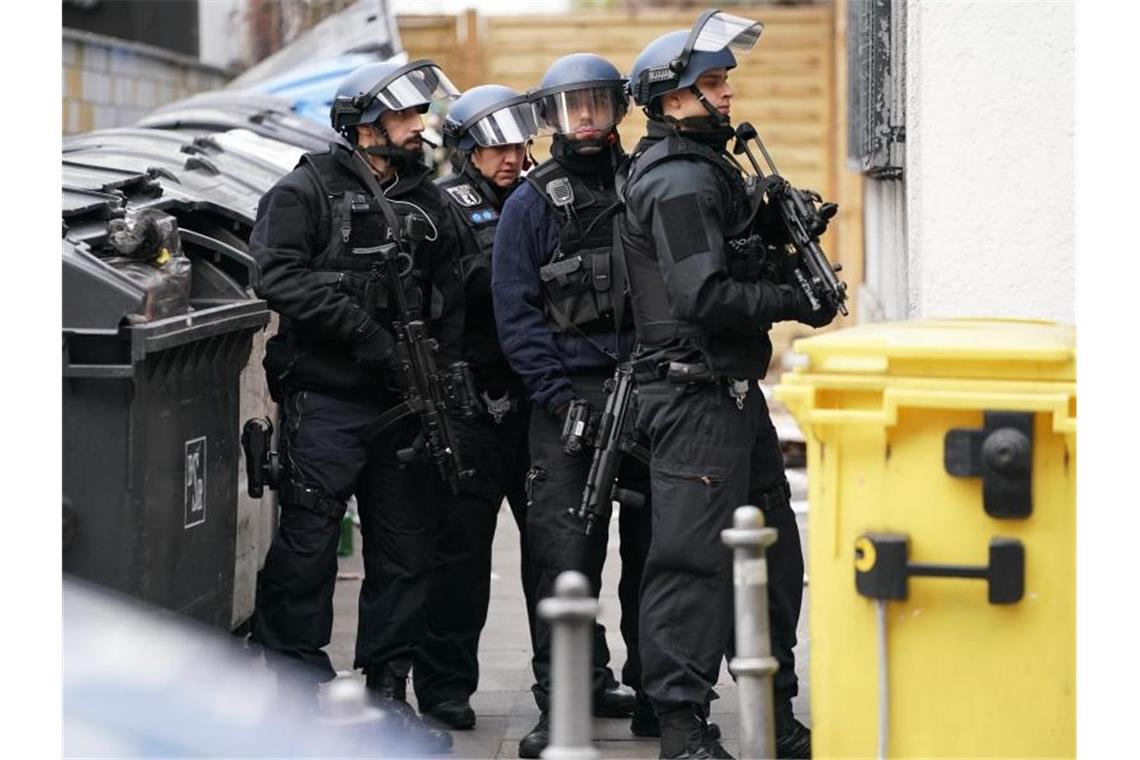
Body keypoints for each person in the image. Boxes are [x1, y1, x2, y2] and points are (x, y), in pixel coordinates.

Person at [621, 12, 837, 759]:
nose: (726, 94)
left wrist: (781, 246)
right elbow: (702, 297)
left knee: (774, 557)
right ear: (669, 99)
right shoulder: (678, 181)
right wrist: (790, 300)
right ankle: (682, 729)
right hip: (693, 397)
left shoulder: (709, 167)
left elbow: (731, 267)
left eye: (724, 81)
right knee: (691, 562)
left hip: (732, 396)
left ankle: (774, 715)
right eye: (710, 83)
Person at [247, 59, 466, 753]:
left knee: (406, 551)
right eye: (405, 117)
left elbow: (455, 293)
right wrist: (366, 335)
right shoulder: (306, 189)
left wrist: (445, 372)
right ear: (366, 126)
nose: (419, 127)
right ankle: (293, 681)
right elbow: (277, 275)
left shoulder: (429, 202)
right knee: (308, 540)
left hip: (407, 402)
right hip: (329, 397)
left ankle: (384, 687)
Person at [492, 53, 652, 759]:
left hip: (653, 394)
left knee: (659, 558)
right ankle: (561, 703)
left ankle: (661, 696)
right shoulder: (531, 202)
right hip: (571, 403)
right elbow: (517, 318)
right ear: (550, 118)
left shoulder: (647, 183)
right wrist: (559, 400)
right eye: (569, 107)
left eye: (596, 103)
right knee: (562, 558)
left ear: (619, 108)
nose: (584, 118)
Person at [408, 84, 541, 731]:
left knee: (556, 553)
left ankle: (575, 681)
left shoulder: (540, 200)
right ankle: (443, 686)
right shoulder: (445, 207)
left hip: (537, 402)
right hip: (469, 406)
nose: (511, 156)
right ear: (466, 151)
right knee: (460, 556)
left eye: (518, 143)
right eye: (495, 146)